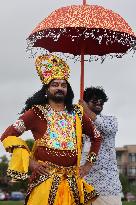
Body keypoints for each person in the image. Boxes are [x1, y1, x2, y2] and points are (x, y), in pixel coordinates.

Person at [0, 55, 102, 205]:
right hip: (45, 182)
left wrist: (88, 165)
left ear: (67, 89)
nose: (60, 88)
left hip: (72, 183)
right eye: (55, 84)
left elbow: (97, 137)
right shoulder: (36, 113)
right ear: (47, 89)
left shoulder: (78, 113)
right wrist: (31, 163)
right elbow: (7, 135)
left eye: (63, 85)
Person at [80, 86, 122, 205]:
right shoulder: (78, 123)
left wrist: (87, 112)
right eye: (94, 100)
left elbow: (107, 128)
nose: (99, 103)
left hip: (107, 187)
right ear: (85, 102)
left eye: (101, 101)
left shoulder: (110, 120)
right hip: (83, 185)